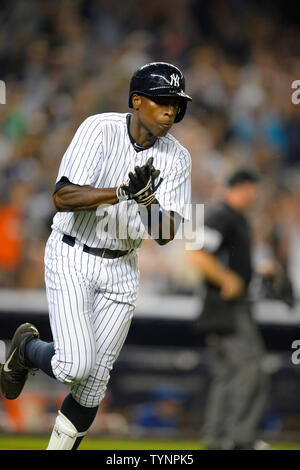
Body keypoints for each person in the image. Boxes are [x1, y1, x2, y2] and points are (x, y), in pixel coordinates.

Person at [0, 62, 192, 450]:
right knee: (74, 365)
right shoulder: (99, 128)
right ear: (137, 101)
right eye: (161, 101)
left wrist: (148, 200)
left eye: (176, 103)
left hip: (123, 265)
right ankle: (26, 350)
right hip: (74, 255)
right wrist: (120, 192)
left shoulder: (178, 157)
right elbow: (62, 197)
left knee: (92, 388)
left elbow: (167, 233)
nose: (170, 110)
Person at [188, 169, 269, 450]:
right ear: (246, 188)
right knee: (251, 369)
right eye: (253, 188)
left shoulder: (235, 218)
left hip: (226, 307)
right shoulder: (222, 214)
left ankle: (217, 439)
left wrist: (257, 271)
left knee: (227, 375)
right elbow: (196, 253)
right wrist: (226, 278)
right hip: (226, 307)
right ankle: (239, 439)